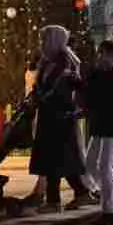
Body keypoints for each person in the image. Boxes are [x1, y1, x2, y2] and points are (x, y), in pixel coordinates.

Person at [29, 25, 96, 212]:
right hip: (50, 115)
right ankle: (81, 193)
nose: (41, 44)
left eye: (44, 39)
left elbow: (63, 88)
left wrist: (42, 97)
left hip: (59, 116)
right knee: (61, 159)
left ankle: (54, 201)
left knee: (55, 158)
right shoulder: (48, 61)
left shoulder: (64, 62)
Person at [83, 39, 113, 225]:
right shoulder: (97, 75)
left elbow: (110, 100)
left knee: (105, 165)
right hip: (99, 125)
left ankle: (109, 211)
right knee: (89, 164)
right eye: (100, 53)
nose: (101, 57)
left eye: (104, 53)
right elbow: (89, 94)